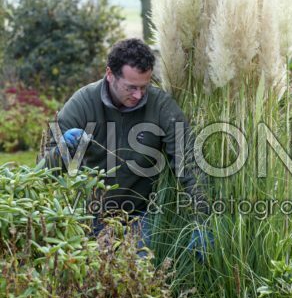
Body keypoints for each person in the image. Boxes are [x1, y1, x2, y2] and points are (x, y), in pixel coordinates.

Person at [43, 38, 211, 256]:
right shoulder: (83, 103)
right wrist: (63, 149)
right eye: (131, 87)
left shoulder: (160, 106)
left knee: (139, 277)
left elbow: (189, 164)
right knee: (90, 281)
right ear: (110, 74)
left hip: (141, 215)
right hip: (88, 215)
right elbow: (45, 171)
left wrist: (204, 220)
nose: (139, 95)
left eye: (144, 86)